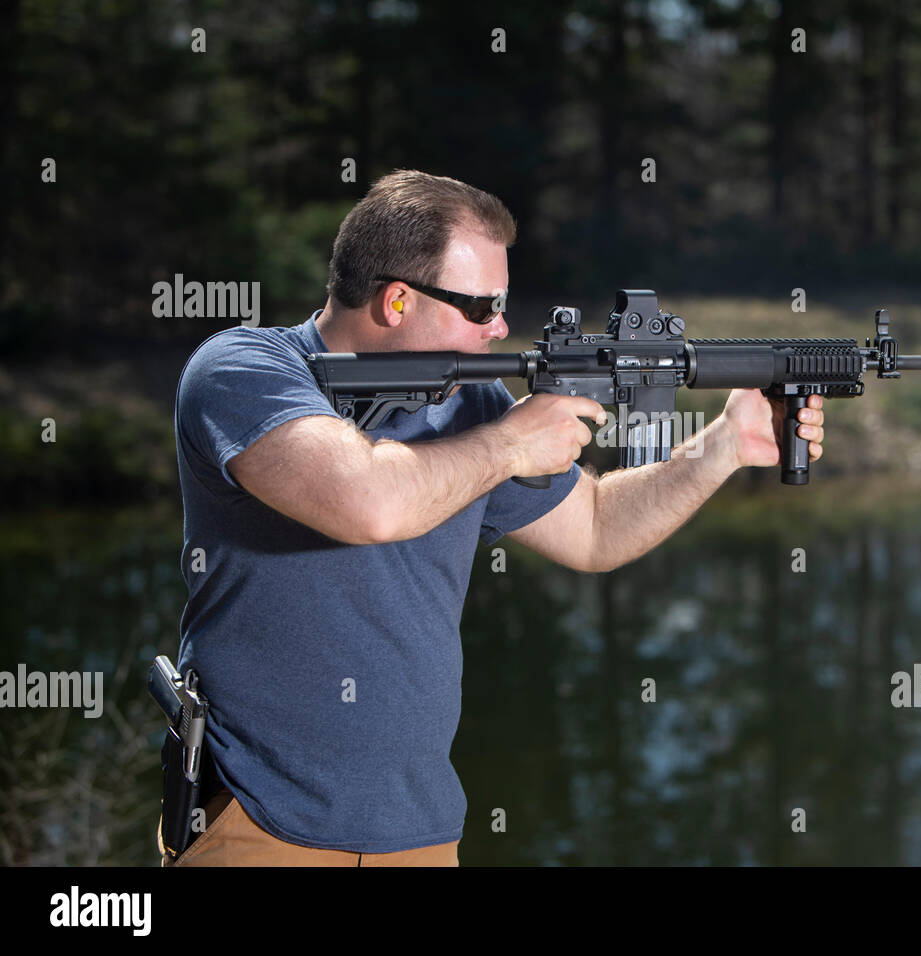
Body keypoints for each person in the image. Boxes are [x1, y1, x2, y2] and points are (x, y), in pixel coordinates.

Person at [159, 170, 826, 866]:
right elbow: (369, 502)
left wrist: (723, 445)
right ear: (395, 300)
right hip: (259, 827)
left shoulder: (466, 403)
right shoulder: (244, 371)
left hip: (419, 834)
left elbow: (595, 528)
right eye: (484, 306)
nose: (502, 327)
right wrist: (513, 441)